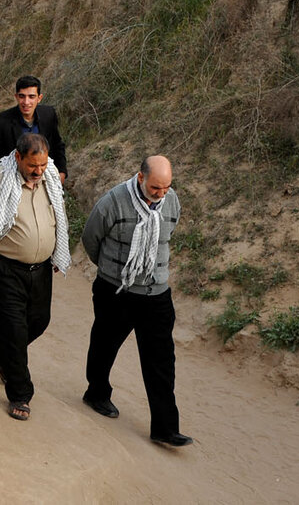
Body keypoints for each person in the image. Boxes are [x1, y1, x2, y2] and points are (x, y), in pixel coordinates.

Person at [81, 156, 191, 448]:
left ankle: (165, 428)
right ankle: (97, 393)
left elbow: (168, 233)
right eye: (155, 187)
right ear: (140, 177)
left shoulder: (171, 201)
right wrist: (112, 270)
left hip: (156, 294)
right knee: (104, 345)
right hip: (116, 291)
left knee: (162, 361)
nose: (161, 194)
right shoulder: (113, 201)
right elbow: (91, 238)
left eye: (166, 187)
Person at [0, 133, 70, 421]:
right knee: (15, 331)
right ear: (18, 157)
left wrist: (57, 248)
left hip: (41, 269)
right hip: (5, 268)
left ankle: (1, 348)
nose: (38, 172)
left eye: (43, 165)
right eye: (33, 165)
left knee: (39, 322)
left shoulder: (48, 179)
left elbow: (56, 217)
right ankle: (20, 393)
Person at [0, 75, 68, 181]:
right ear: (16, 96)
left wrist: (62, 172)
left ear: (39, 98)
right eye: (22, 96)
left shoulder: (48, 115)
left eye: (31, 97)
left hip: (45, 178)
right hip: (13, 180)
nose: (26, 102)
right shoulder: (0, 122)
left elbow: (58, 145)